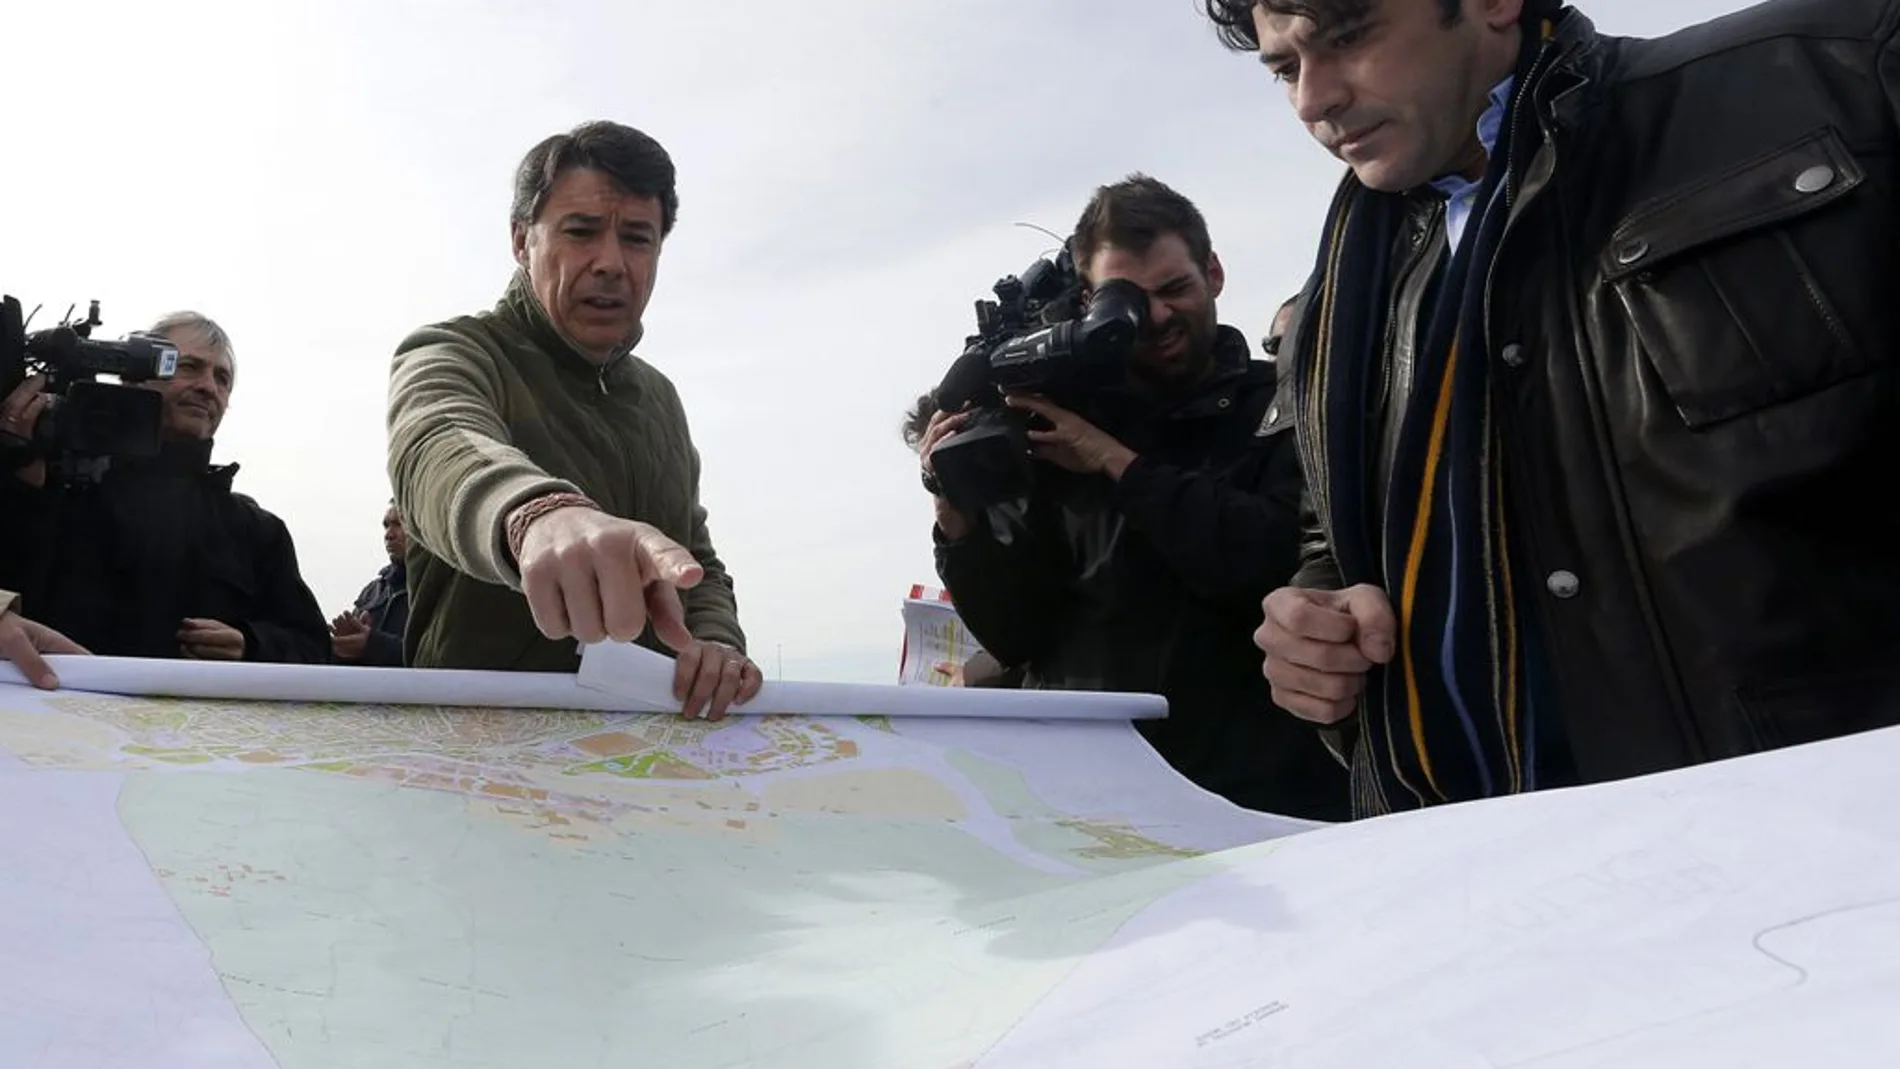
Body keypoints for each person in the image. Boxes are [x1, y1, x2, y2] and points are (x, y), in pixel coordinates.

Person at [1200, 0, 1900, 816]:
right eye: (1284, 68)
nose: (1313, 100)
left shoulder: (1831, 77)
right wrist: (1315, 636)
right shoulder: (1333, 309)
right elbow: (1332, 549)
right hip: (1486, 875)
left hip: (1824, 838)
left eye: (1350, 37)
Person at [921, 174, 1348, 820]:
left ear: (1215, 272)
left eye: (1174, 288)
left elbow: (1269, 559)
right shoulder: (1050, 430)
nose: (1155, 318)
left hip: (1263, 807)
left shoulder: (1288, 404)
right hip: (1091, 812)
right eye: (1124, 299)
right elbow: (1014, 631)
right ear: (1088, 300)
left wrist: (1116, 462)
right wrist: (958, 523)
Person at [386, 120, 758, 720]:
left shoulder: (660, 400)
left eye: (638, 238)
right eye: (581, 232)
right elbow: (438, 443)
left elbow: (697, 562)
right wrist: (536, 515)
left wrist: (715, 643)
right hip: (480, 759)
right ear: (520, 239)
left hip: (644, 755)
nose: (611, 262)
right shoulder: (455, 351)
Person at [0, 311, 329, 669]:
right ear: (133, 378)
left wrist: (251, 643)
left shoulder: (257, 531)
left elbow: (314, 648)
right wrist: (18, 481)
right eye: (188, 367)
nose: (208, 387)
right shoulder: (51, 490)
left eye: (222, 378)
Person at [331, 502, 410, 666]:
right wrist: (341, 647)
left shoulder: (440, 590)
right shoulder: (372, 591)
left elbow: (437, 658)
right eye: (386, 525)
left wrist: (373, 645)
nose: (389, 534)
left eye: (398, 524)